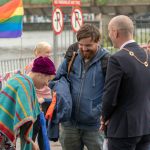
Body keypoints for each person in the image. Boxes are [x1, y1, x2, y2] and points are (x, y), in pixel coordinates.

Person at [52, 23, 109, 150]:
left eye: (88, 45)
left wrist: (96, 112)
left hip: (94, 126)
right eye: (81, 45)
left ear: (97, 41)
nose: (83, 49)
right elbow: (56, 80)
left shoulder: (107, 61)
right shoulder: (72, 57)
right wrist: (64, 101)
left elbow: (111, 92)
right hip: (69, 124)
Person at [100, 15, 150, 150]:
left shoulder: (117, 58)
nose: (109, 35)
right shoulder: (147, 55)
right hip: (145, 125)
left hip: (123, 128)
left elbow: (110, 95)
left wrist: (104, 118)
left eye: (109, 32)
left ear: (115, 32)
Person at [0, 56, 55, 150]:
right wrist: (30, 141)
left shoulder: (19, 78)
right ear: (40, 74)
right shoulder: (26, 85)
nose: (47, 84)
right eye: (48, 80)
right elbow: (26, 117)